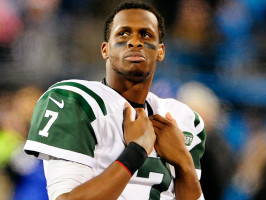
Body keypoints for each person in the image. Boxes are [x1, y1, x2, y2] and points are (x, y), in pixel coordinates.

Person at [23, 1, 206, 200]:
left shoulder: (182, 119)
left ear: (161, 51)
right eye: (123, 33)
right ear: (105, 50)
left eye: (146, 35)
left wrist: (184, 162)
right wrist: (136, 152)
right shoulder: (75, 102)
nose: (134, 42)